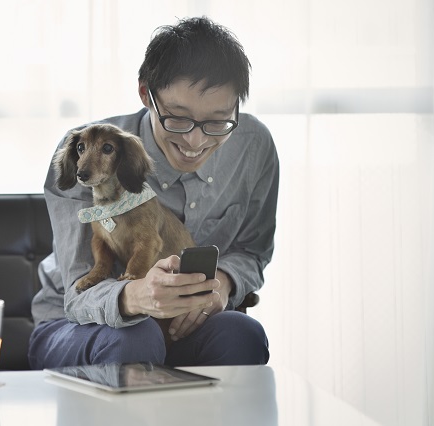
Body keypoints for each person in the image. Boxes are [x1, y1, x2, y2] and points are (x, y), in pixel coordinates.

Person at [28, 16, 279, 369]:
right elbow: (77, 294)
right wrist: (136, 296)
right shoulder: (87, 152)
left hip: (181, 325)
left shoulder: (253, 146)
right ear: (146, 93)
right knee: (136, 338)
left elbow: (251, 250)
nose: (196, 141)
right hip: (77, 325)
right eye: (177, 118)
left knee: (242, 334)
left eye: (218, 121)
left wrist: (221, 284)